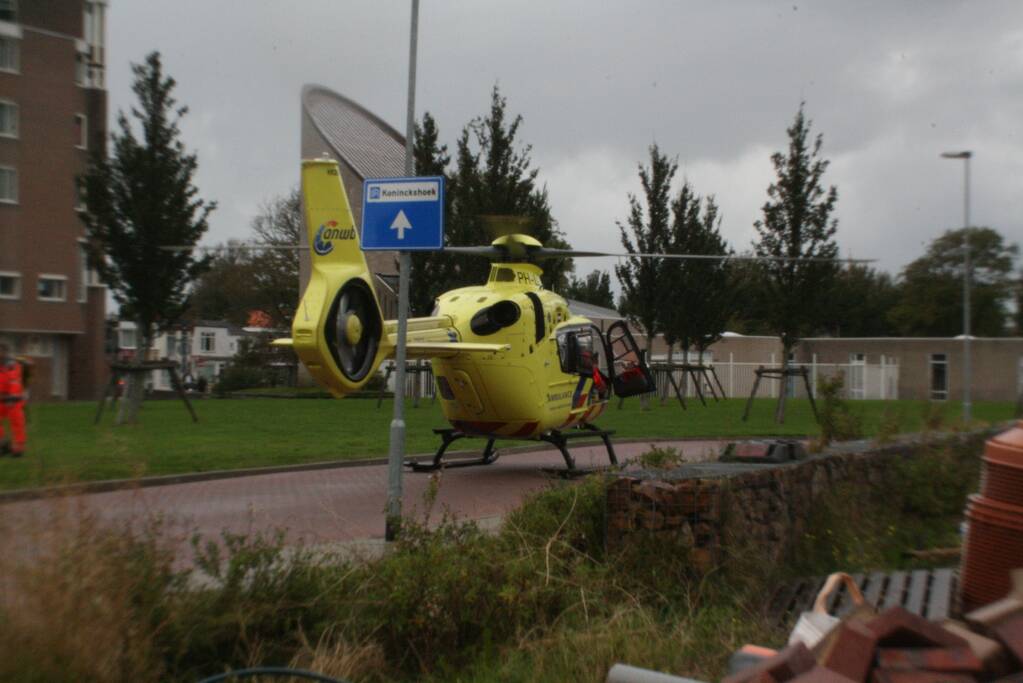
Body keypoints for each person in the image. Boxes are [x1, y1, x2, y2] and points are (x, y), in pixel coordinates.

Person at [0, 343, 26, 458]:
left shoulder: (13, 366)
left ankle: (18, 447)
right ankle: (2, 444)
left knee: (16, 418)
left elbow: (14, 384)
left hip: (13, 399)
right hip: (1, 399)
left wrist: (11, 398)